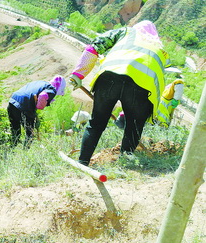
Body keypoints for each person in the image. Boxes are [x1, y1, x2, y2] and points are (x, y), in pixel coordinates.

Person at [69, 20, 169, 166]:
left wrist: (78, 74)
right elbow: (158, 80)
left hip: (110, 76)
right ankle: (123, 165)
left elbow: (95, 46)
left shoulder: (127, 32)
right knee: (133, 128)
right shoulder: (161, 49)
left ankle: (82, 162)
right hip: (142, 86)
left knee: (96, 124)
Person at [7, 76, 66, 148]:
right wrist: (39, 107)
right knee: (30, 133)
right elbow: (43, 95)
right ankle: (26, 152)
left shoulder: (41, 83)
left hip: (12, 101)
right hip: (25, 104)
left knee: (15, 131)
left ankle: (12, 149)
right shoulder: (52, 89)